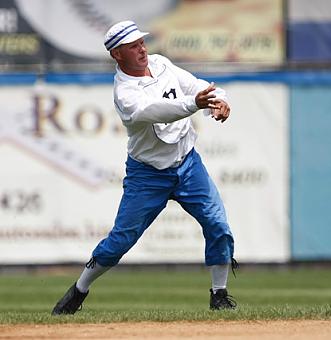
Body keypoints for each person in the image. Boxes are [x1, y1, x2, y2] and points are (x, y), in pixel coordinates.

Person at [51, 20, 237, 314]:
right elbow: (157, 110)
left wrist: (219, 99)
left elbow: (197, 85)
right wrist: (195, 104)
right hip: (147, 174)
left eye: (142, 43)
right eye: (133, 46)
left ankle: (220, 295)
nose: (141, 50)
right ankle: (79, 290)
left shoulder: (161, 63)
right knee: (120, 241)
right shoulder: (124, 92)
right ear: (117, 55)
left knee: (218, 226)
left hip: (188, 163)